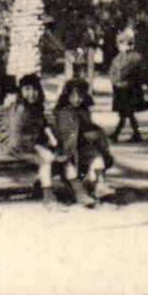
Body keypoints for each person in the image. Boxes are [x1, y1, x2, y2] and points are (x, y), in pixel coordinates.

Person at [0, 73, 63, 208]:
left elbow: (42, 124)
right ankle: (48, 198)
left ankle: (41, 187)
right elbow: (17, 137)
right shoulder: (20, 109)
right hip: (14, 146)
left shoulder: (35, 108)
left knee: (53, 158)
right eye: (27, 89)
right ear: (21, 91)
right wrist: (39, 148)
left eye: (35, 89)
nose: (32, 93)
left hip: (30, 144)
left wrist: (51, 140)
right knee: (45, 161)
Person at [52, 77, 113, 205]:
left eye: (80, 95)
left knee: (97, 156)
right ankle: (80, 192)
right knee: (67, 162)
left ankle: (100, 183)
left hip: (80, 148)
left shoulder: (83, 112)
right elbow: (65, 134)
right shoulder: (63, 112)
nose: (77, 99)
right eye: (73, 95)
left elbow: (89, 128)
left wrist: (96, 135)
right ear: (67, 95)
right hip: (65, 150)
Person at [109, 34, 148, 142]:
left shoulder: (135, 58)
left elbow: (136, 73)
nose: (125, 46)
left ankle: (117, 134)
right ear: (119, 45)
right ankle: (135, 134)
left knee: (127, 113)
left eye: (128, 43)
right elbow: (112, 73)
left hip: (130, 90)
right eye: (122, 43)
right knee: (126, 113)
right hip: (120, 90)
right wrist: (114, 82)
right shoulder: (117, 59)